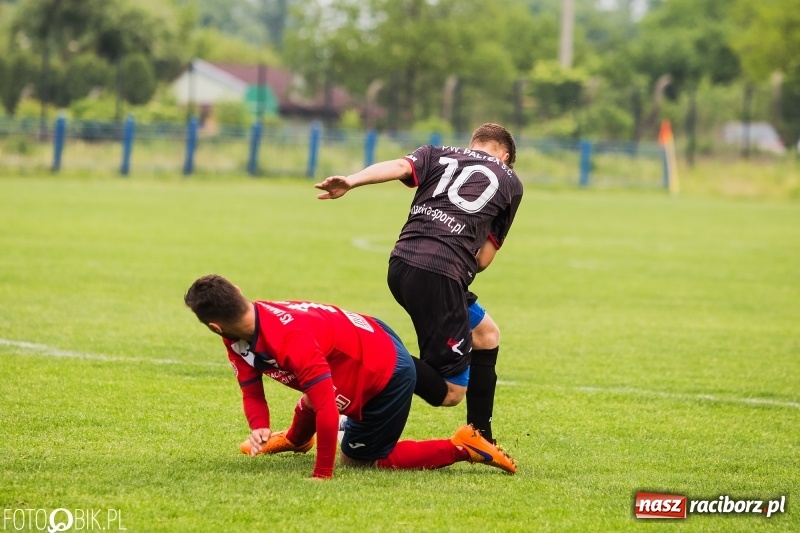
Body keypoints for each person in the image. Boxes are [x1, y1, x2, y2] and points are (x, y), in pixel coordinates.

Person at [183, 274, 516, 479]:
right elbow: (250, 388)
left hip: (384, 372)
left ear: (213, 326)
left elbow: (328, 408)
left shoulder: (288, 339)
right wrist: (259, 426)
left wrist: (323, 472)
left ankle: (464, 447)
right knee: (317, 392)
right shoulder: (238, 332)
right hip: (367, 334)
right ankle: (297, 440)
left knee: (362, 460)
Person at [314, 123, 523, 443]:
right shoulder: (510, 182)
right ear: (505, 156)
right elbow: (482, 260)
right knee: (450, 390)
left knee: (486, 334)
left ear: (473, 143)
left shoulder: (437, 153)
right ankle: (354, 392)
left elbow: (399, 166)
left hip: (401, 265)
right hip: (440, 275)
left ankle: (480, 436)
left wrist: (352, 181)